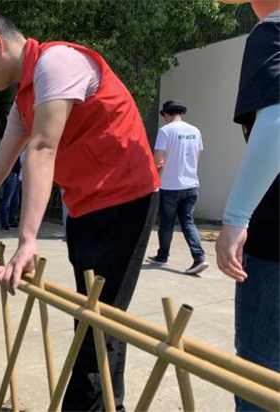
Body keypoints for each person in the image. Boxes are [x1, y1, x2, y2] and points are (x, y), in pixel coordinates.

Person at [0, 10, 160, 411]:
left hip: (126, 201)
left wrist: (27, 241)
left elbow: (42, 148)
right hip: (85, 207)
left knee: (98, 323)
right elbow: (0, 164)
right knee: (93, 320)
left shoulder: (57, 63)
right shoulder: (25, 98)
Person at [215, 1, 279, 411]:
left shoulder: (271, 31)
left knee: (261, 368)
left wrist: (237, 217)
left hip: (275, 242)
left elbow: (276, 121)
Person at [146, 100, 209, 274]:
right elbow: (197, 156)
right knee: (188, 221)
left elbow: (157, 158)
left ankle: (162, 256)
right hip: (192, 184)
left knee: (166, 222)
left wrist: (157, 172)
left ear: (166, 113)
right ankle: (199, 257)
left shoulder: (165, 131)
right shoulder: (195, 131)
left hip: (170, 185)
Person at [0, 156, 21, 230]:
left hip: (16, 176)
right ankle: (4, 222)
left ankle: (12, 220)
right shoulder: (13, 148)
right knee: (7, 201)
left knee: (15, 201)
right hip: (11, 175)